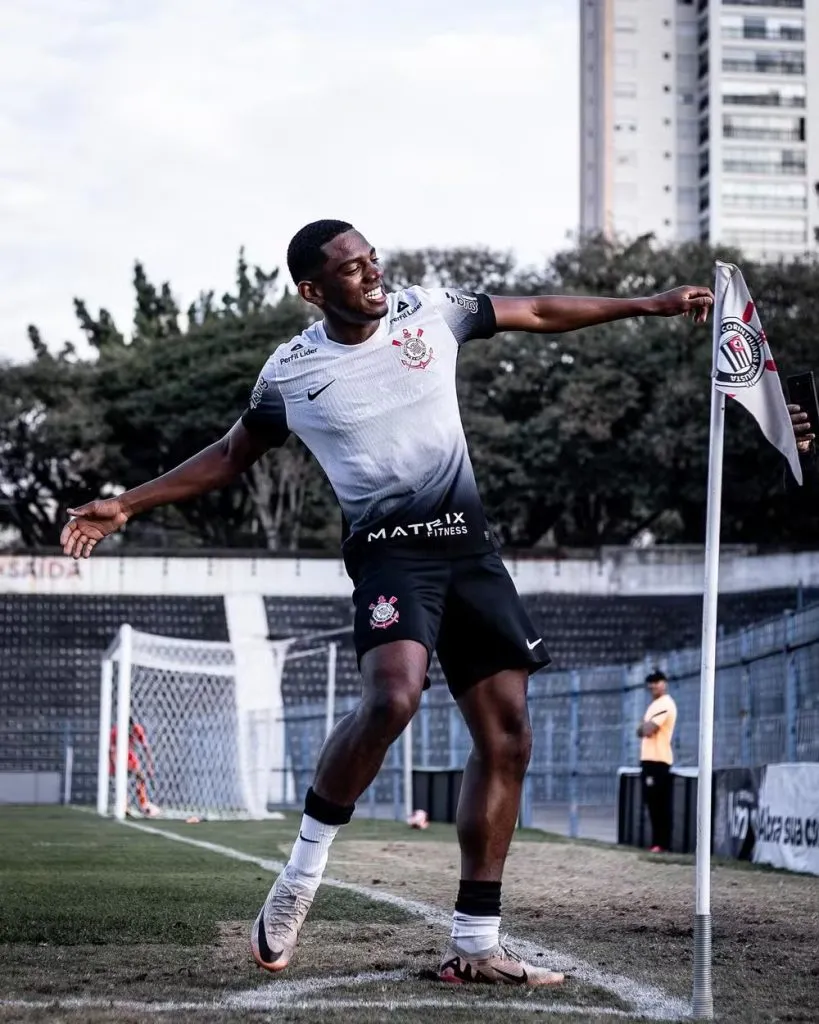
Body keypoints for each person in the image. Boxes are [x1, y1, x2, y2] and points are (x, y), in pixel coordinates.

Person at [61, 220, 712, 986]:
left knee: (507, 740)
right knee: (393, 698)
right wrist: (128, 506)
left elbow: (535, 310)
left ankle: (475, 944)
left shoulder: (430, 311)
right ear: (312, 290)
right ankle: (301, 874)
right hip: (390, 554)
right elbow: (234, 455)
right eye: (349, 269)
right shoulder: (292, 372)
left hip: (469, 549)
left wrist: (650, 303)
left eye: (372, 261)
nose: (371, 276)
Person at [637, 669, 677, 853]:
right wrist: (643, 727)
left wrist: (643, 727)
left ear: (664, 683)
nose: (653, 685)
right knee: (653, 804)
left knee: (660, 804)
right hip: (649, 760)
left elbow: (648, 729)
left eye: (657, 681)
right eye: (651, 682)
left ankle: (662, 843)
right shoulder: (654, 705)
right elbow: (642, 729)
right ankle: (657, 842)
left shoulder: (666, 704)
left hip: (658, 760)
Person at [109, 716, 158, 817]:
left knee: (141, 777)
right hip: (117, 756)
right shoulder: (115, 732)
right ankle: (124, 805)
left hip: (130, 755)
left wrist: (150, 766)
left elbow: (146, 747)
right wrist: (115, 764)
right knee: (122, 781)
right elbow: (111, 750)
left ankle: (143, 804)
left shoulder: (137, 729)